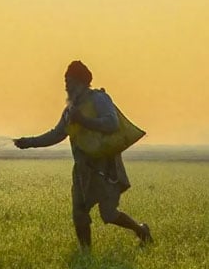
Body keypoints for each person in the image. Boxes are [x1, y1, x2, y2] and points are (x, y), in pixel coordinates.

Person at [13, 60, 152, 251]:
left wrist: (84, 120)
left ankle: (141, 230)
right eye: (65, 82)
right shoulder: (71, 110)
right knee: (79, 213)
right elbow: (57, 134)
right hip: (82, 170)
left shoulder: (99, 99)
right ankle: (85, 253)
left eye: (69, 81)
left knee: (109, 214)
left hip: (105, 168)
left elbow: (112, 123)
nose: (66, 86)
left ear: (81, 82)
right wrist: (28, 142)